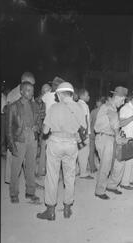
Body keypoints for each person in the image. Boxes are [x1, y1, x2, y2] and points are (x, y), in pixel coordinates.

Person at [37, 82, 85, 220]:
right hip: (71, 144)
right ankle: (67, 209)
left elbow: (45, 130)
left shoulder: (54, 108)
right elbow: (83, 129)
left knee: (52, 177)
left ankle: (50, 211)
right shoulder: (79, 107)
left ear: (59, 94)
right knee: (69, 177)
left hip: (56, 143)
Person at [6, 81, 42, 203]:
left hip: (32, 138)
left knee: (30, 168)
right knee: (16, 169)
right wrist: (12, 145)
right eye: (28, 90)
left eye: (32, 90)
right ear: (21, 91)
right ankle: (13, 194)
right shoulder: (13, 107)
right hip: (19, 140)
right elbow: (9, 129)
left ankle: (30, 193)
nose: (31, 93)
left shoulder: (35, 106)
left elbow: (39, 122)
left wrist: (37, 127)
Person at [106, 90, 133, 192]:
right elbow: (121, 123)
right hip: (127, 137)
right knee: (127, 160)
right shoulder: (125, 108)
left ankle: (130, 180)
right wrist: (131, 118)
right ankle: (124, 182)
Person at [94, 86, 128, 200]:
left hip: (108, 138)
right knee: (105, 166)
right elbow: (114, 124)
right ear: (117, 97)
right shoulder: (109, 107)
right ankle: (99, 191)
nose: (123, 103)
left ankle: (110, 186)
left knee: (110, 165)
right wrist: (118, 136)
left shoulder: (111, 107)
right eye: (122, 100)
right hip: (104, 139)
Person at [5, 72, 36, 185]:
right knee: (15, 156)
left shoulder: (22, 92)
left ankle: (14, 179)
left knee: (18, 157)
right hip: (17, 131)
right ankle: (12, 181)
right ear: (24, 82)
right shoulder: (15, 94)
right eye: (31, 84)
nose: (32, 87)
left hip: (21, 131)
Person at [77, 88, 93, 179]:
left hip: (78, 132)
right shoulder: (84, 105)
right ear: (82, 96)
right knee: (84, 153)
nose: (89, 97)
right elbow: (84, 119)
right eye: (87, 95)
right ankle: (83, 172)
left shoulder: (77, 104)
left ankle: (78, 170)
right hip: (84, 133)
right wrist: (86, 134)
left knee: (79, 151)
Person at [89, 96, 106, 173]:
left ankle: (92, 167)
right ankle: (103, 167)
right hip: (101, 133)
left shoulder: (93, 111)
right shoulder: (105, 111)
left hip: (92, 132)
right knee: (102, 152)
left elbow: (89, 122)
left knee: (92, 151)